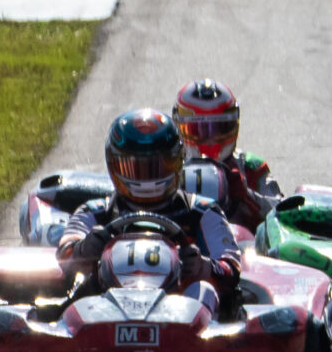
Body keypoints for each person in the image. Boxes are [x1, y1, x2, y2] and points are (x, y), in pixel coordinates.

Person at [55, 109, 243, 309]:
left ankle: (194, 328)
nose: (147, 178)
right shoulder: (96, 211)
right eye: (134, 168)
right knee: (81, 280)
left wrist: (202, 266)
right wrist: (84, 249)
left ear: (178, 162)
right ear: (113, 164)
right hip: (105, 307)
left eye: (158, 167)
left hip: (181, 308)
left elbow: (231, 269)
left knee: (203, 289)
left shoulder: (202, 211)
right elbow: (64, 254)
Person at [170, 78, 280, 229]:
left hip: (239, 241)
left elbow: (282, 213)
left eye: (218, 129)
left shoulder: (250, 166)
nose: (209, 141)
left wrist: (246, 195)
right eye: (197, 131)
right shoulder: (169, 169)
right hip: (184, 241)